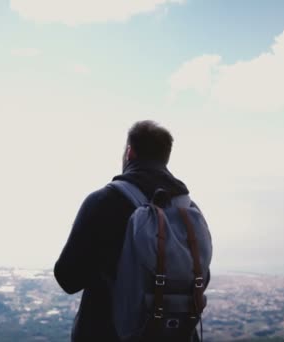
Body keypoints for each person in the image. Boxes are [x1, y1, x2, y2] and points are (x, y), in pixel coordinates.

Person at [54, 120, 208, 341]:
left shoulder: (104, 201)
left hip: (107, 333)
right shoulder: (189, 210)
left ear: (129, 152)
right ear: (166, 157)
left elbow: (68, 278)